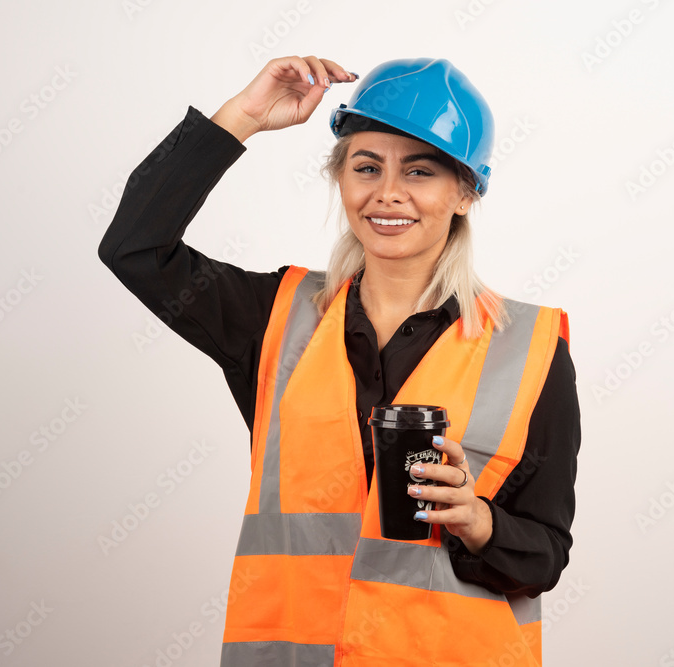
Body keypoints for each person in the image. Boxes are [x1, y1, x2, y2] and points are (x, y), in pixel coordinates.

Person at [98, 55, 581, 667]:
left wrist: (478, 521)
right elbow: (135, 247)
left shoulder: (531, 348)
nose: (388, 193)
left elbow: (544, 555)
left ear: (464, 192)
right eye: (366, 167)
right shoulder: (272, 318)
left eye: (421, 170)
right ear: (340, 178)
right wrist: (241, 118)